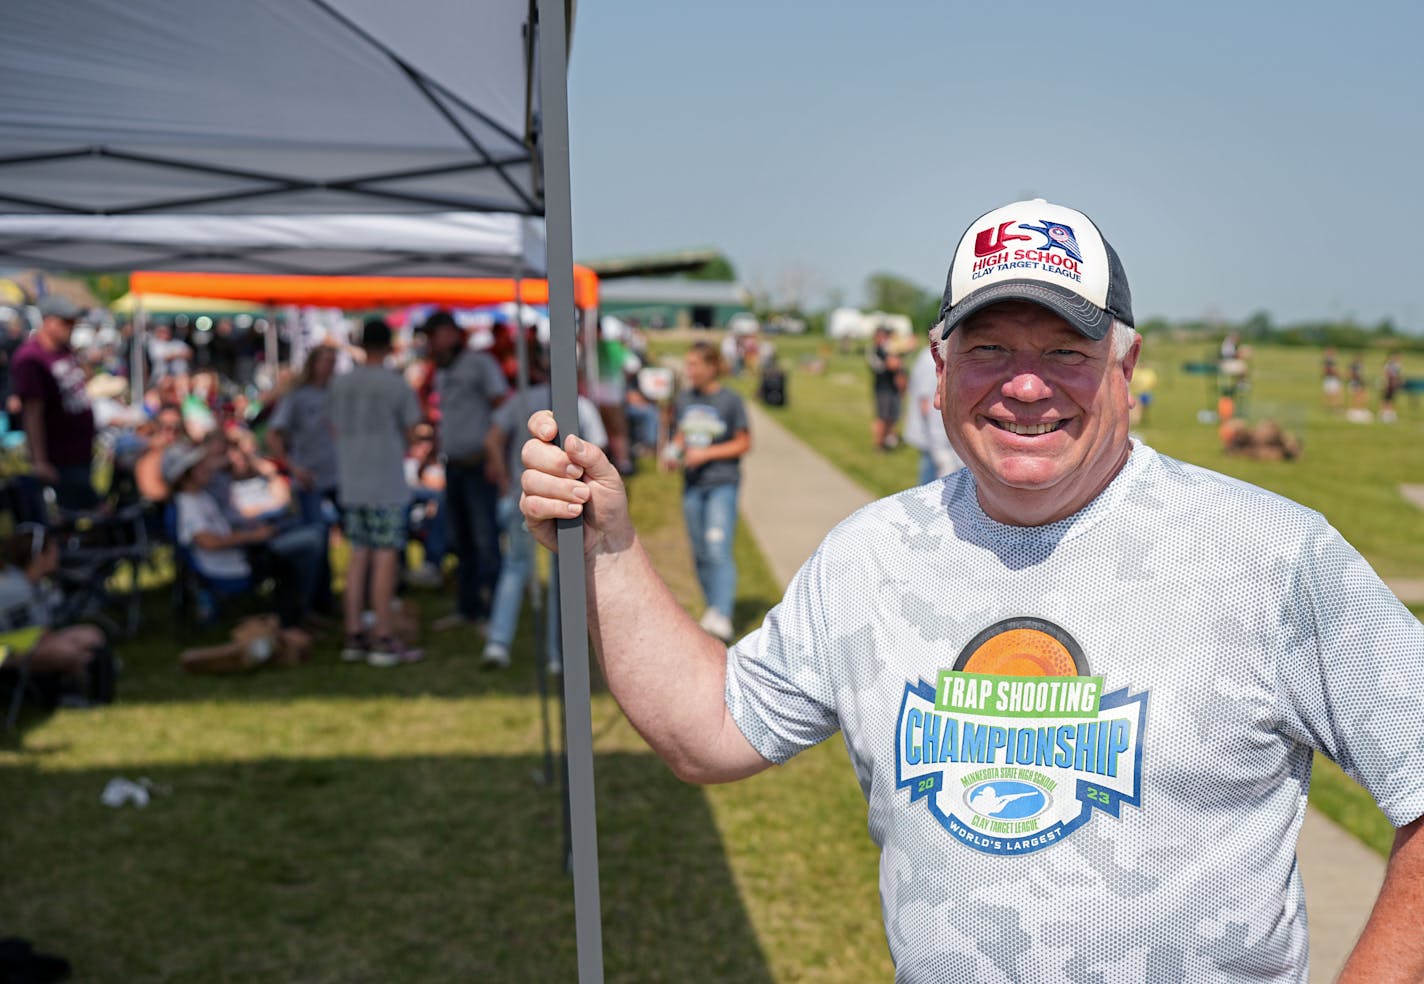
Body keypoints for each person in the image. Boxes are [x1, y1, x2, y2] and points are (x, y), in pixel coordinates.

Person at [519, 198, 1424, 981]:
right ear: (940, 364)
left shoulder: (1268, 555)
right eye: (990, 346)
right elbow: (709, 730)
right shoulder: (872, 555)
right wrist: (611, 542)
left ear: (1126, 361)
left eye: (1066, 350)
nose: (1026, 385)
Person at [482, 345, 606, 671]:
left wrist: (507, 481)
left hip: (525, 498)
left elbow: (492, 439)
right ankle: (556, 654)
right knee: (558, 575)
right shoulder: (582, 407)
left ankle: (499, 643)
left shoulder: (523, 399)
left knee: (516, 567)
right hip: (552, 503)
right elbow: (601, 457)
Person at [328, 318, 424, 667]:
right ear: (390, 345)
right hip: (385, 481)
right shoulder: (395, 384)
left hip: (352, 480)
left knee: (358, 557)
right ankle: (383, 635)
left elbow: (334, 426)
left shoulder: (341, 383)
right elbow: (414, 432)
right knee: (384, 557)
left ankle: (354, 633)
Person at [417, 310, 509, 633]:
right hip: (453, 466)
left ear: (453, 334)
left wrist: (497, 459)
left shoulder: (479, 364)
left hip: (478, 465)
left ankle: (496, 612)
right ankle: (468, 608)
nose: (431, 342)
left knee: (486, 541)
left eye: (435, 334)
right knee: (462, 541)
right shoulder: (441, 371)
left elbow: (503, 408)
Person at [662, 342, 750, 643]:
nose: (690, 371)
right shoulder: (685, 398)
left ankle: (722, 614)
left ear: (713, 366)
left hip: (721, 483)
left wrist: (708, 453)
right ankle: (713, 606)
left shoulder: (730, 400)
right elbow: (681, 433)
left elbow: (743, 443)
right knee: (700, 552)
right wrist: (673, 452)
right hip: (692, 484)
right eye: (688, 365)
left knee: (717, 547)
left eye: (695, 365)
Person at [0, 522, 116, 708]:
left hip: (30, 642)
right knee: (68, 651)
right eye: (53, 549)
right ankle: (65, 692)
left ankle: (82, 681)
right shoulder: (12, 588)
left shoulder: (39, 584)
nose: (58, 554)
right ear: (39, 555)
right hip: (8, 651)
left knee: (92, 634)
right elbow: (26, 635)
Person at [266, 346, 340, 613]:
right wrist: (293, 468)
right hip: (311, 479)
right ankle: (319, 601)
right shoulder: (297, 397)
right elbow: (274, 434)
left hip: (340, 475)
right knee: (317, 540)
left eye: (334, 361)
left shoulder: (337, 393)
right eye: (326, 361)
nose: (330, 366)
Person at [11, 296, 99, 512]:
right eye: (67, 322)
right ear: (48, 321)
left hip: (80, 450)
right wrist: (40, 461)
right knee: (74, 518)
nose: (73, 327)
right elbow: (32, 412)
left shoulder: (63, 350)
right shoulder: (31, 358)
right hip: (60, 457)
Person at [903, 342, 962, 484]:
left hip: (934, 434)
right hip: (933, 435)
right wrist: (938, 445)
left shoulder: (925, 355)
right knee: (930, 483)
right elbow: (927, 403)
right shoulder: (931, 360)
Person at [867, 325, 904, 451]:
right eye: (882, 336)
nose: (885, 339)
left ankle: (887, 441)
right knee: (882, 418)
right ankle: (878, 445)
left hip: (892, 388)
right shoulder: (877, 350)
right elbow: (893, 365)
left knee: (891, 417)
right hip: (883, 389)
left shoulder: (887, 349)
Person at [1380, 350, 1404, 424]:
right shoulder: (1389, 364)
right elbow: (1386, 373)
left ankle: (1390, 412)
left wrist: (1399, 381)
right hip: (1388, 384)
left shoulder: (1398, 365)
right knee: (1386, 398)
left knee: (1392, 398)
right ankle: (1384, 413)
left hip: (1394, 385)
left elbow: (1399, 375)